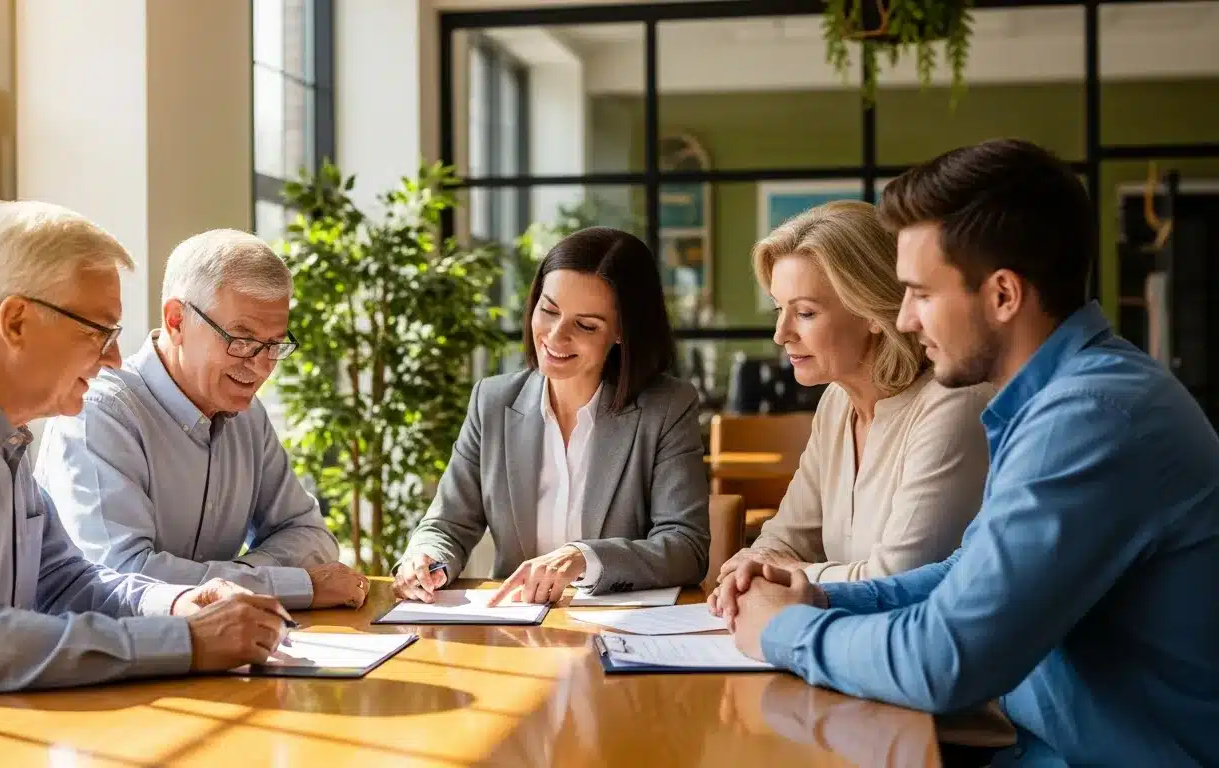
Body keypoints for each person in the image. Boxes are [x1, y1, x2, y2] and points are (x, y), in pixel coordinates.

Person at [721, 139, 1219, 766]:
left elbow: (944, 661)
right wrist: (818, 598)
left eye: (921, 294)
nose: (901, 319)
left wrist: (782, 630)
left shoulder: (1090, 417)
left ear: (1003, 295)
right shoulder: (1057, 401)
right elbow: (965, 575)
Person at [0, 202, 290, 735]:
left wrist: (178, 603)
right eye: (98, 331)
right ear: (16, 321)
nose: (113, 358)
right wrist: (189, 642)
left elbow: (62, 580)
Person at [36, 229, 366, 611]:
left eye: (275, 345)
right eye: (241, 340)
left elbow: (311, 535)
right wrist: (288, 585)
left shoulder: (249, 417)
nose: (261, 366)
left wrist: (239, 578)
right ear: (176, 321)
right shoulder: (100, 414)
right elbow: (124, 577)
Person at [392, 226, 711, 605]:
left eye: (585, 325)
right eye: (549, 310)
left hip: (620, 633)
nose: (555, 337)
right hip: (515, 627)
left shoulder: (667, 408)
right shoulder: (492, 402)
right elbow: (447, 523)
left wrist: (583, 558)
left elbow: (686, 547)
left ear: (623, 332)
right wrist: (426, 557)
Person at [707, 201, 991, 610]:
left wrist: (784, 574)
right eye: (779, 310)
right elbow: (785, 536)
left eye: (805, 312)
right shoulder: (836, 402)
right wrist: (757, 565)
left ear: (872, 310)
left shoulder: (953, 405)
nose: (780, 334)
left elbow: (898, 579)